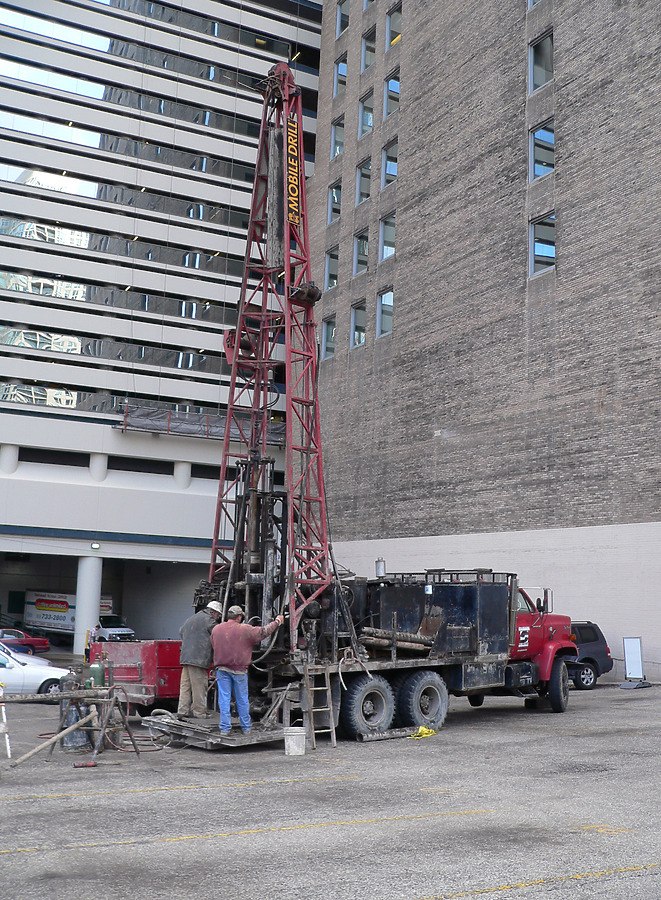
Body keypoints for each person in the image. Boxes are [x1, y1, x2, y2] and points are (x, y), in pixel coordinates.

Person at [211, 605, 284, 735]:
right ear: (239, 617)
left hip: (221, 669)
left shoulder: (216, 629)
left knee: (224, 699)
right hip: (239, 670)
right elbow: (264, 631)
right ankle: (246, 728)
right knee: (242, 699)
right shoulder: (244, 629)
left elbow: (213, 644)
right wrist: (277, 621)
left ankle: (225, 729)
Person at [177, 600, 223, 718]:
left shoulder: (191, 619)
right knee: (199, 686)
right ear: (212, 612)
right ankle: (199, 712)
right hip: (198, 660)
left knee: (185, 687)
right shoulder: (209, 620)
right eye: (218, 615)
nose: (218, 618)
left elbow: (181, 632)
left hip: (186, 658)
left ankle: (182, 711)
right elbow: (219, 634)